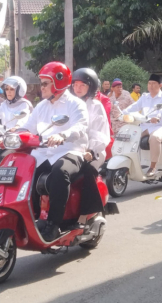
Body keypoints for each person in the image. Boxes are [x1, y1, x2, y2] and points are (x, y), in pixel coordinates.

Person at [19, 62, 88, 242]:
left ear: (58, 82)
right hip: (44, 152)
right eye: (41, 83)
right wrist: (8, 134)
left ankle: (54, 225)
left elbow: (80, 126)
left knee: (60, 171)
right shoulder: (42, 106)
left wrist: (63, 135)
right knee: (25, 169)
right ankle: (31, 217)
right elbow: (27, 127)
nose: (41, 87)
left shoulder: (76, 104)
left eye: (44, 83)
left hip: (71, 150)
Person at [71, 68, 111, 231]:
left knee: (86, 172)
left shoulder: (95, 106)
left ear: (91, 87)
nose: (78, 88)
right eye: (75, 84)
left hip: (93, 150)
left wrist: (91, 151)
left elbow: (100, 134)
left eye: (83, 85)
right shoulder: (69, 104)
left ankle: (83, 215)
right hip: (72, 149)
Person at [122, 74, 162, 177]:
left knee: (154, 138)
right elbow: (135, 106)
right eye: (149, 83)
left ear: (160, 85)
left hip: (160, 126)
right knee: (130, 136)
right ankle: (129, 163)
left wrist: (158, 116)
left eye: (154, 83)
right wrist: (123, 113)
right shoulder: (144, 96)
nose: (151, 86)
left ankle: (153, 166)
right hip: (145, 126)